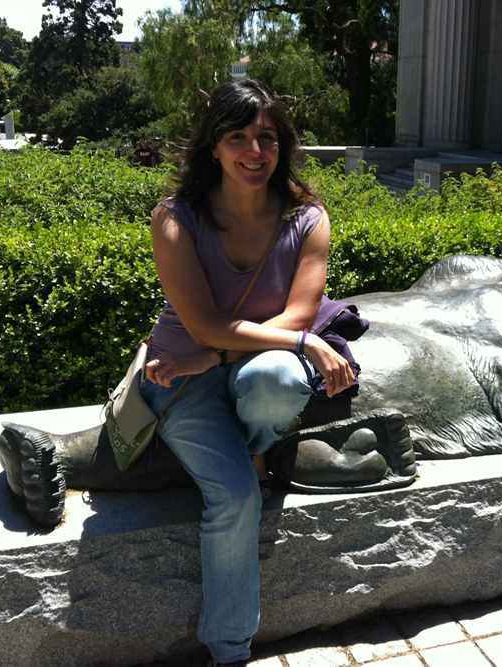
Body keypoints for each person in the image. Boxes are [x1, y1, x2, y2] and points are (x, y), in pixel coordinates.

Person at [140, 80, 354, 667]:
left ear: (282, 146)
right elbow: (205, 323)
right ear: (214, 146)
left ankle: (254, 443)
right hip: (177, 382)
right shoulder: (175, 220)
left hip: (239, 365)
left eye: (266, 137)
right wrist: (215, 352)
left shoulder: (307, 220)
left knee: (282, 378)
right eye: (238, 137)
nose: (254, 151)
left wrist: (215, 353)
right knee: (235, 498)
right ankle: (230, 652)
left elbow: (299, 317)